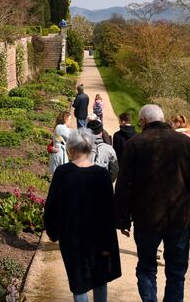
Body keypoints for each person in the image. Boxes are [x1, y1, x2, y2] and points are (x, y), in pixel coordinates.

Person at [115, 104, 190, 302]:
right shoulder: (185, 143)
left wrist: (123, 219)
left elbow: (124, 185)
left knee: (147, 268)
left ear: (143, 121)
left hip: (146, 218)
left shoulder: (135, 143)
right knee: (176, 273)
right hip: (179, 218)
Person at [44, 129, 121, 302]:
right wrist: (109, 242)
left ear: (71, 148)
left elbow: (51, 206)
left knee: (78, 280)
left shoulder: (63, 173)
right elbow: (109, 211)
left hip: (72, 235)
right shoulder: (101, 175)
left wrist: (52, 231)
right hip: (99, 236)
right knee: (100, 278)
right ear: (89, 148)